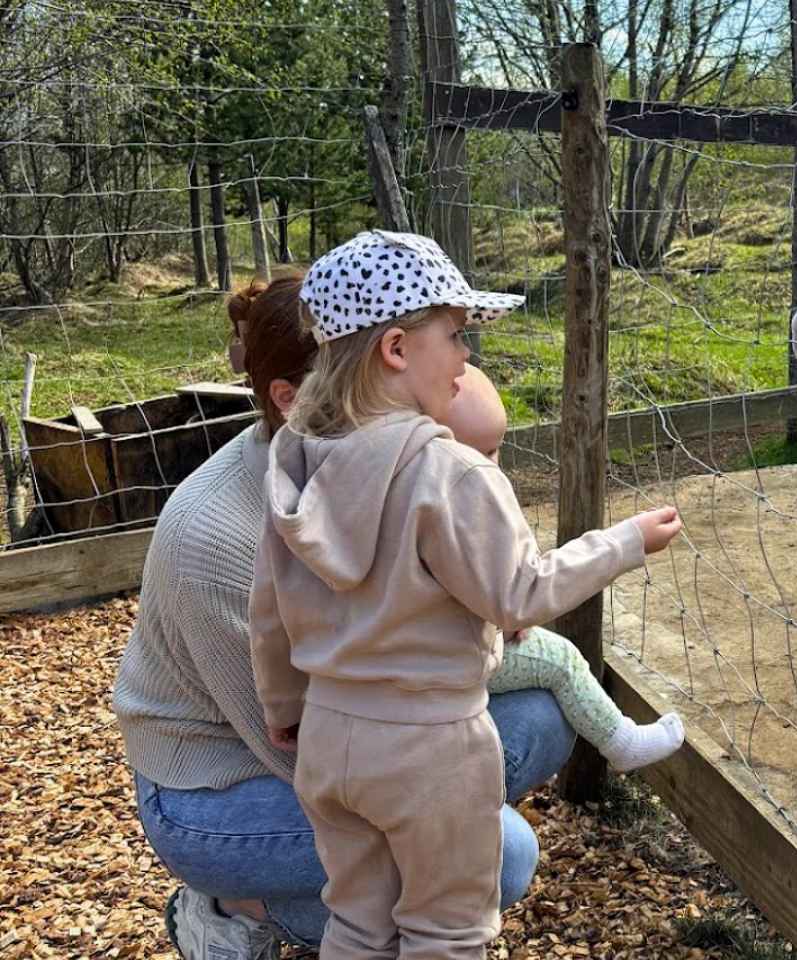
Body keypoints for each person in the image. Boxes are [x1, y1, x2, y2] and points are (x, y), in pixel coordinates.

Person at [111, 271, 583, 959]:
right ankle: (232, 906)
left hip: (356, 726)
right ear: (292, 398)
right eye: (374, 366)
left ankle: (397, 874)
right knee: (501, 856)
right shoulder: (214, 534)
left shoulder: (378, 465)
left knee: (542, 715)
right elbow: (292, 740)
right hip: (217, 784)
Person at [249, 229, 684, 958]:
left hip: (329, 737)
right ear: (396, 348)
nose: (465, 357)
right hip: (429, 745)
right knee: (446, 931)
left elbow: (269, 610)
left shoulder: (297, 461)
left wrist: (284, 707)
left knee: (358, 921)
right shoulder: (449, 471)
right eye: (454, 335)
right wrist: (626, 541)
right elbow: (519, 592)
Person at [448, 364, 686, 771]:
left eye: (498, 449)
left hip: (408, 667)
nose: (495, 466)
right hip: (450, 659)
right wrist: (630, 541)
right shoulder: (457, 506)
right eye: (483, 453)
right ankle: (623, 743)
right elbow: (525, 589)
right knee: (561, 658)